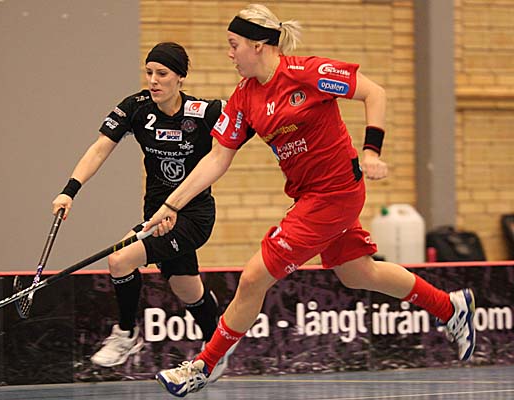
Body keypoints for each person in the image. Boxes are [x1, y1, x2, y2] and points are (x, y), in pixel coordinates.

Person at [146, 5, 476, 397]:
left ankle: (205, 365)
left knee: (253, 278)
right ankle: (450, 307)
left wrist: (371, 151)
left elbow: (374, 92)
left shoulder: (308, 73)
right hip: (309, 196)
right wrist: (172, 205)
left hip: (336, 192)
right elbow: (217, 158)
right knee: (358, 273)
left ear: (258, 44)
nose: (229, 53)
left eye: (234, 45)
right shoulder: (244, 97)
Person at [52, 42, 230, 380]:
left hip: (192, 216)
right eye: (149, 72)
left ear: (180, 77)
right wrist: (69, 190)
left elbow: (250, 123)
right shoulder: (135, 108)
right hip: (156, 216)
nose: (153, 80)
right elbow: (100, 149)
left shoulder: (205, 112)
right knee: (186, 287)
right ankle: (217, 344)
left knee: (120, 260)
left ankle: (126, 334)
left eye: (162, 73)